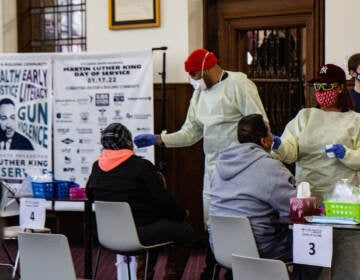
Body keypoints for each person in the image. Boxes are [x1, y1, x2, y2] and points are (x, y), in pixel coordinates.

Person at [133, 48, 268, 278]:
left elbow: (259, 123)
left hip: (242, 168)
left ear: (207, 68)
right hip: (213, 169)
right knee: (213, 225)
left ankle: (236, 270)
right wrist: (159, 139)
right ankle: (213, 267)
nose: (192, 80)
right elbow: (190, 133)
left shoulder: (239, 84)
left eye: (194, 75)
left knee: (239, 222)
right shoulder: (199, 95)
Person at [272, 64, 360, 280]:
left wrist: (346, 154)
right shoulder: (304, 117)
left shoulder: (355, 121)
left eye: (326, 86)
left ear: (340, 87)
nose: (321, 91)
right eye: (317, 87)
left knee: (346, 258)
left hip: (342, 201)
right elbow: (291, 151)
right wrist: (278, 145)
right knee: (312, 263)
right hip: (309, 200)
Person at [209, 114, 322, 280]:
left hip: (221, 246)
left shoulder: (219, 164)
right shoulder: (269, 167)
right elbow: (299, 208)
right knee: (316, 245)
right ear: (264, 141)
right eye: (270, 133)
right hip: (259, 246)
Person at [85, 122, 194, 280]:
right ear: (129, 144)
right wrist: (182, 214)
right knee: (186, 231)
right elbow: (164, 201)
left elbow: (90, 194)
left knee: (157, 224)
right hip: (138, 234)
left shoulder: (97, 167)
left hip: (106, 235)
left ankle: (144, 275)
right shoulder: (141, 166)